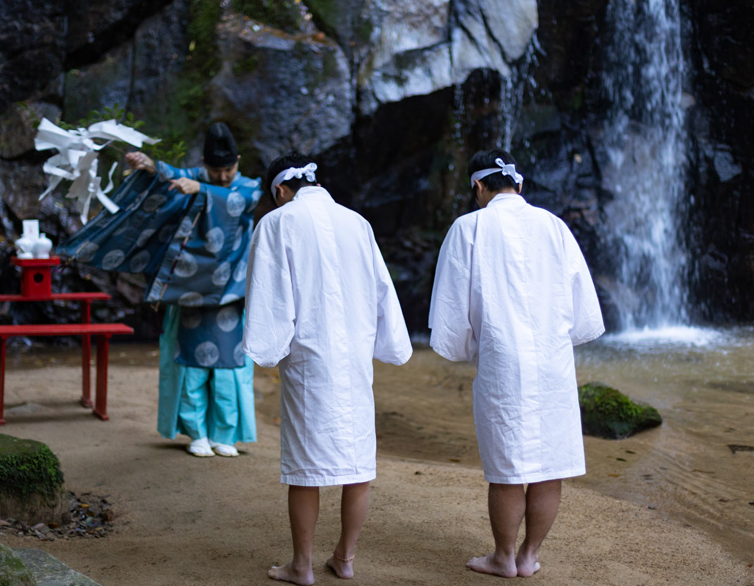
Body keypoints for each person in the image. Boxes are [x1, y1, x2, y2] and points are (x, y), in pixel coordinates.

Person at [428, 149, 604, 578]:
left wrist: (466, 347)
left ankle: (503, 557)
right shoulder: (554, 226)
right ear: (519, 186)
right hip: (552, 358)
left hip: (503, 358)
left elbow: (453, 308)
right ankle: (529, 555)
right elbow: (584, 309)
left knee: (507, 466)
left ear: (478, 187)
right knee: (550, 464)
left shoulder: (469, 227)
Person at [244, 152, 412, 585]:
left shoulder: (277, 223)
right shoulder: (357, 223)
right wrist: (389, 343)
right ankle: (346, 558)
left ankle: (301, 566)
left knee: (305, 466)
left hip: (308, 359)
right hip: (354, 359)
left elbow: (269, 295)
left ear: (279, 190)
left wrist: (265, 349)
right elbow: (382, 289)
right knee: (357, 462)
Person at [58, 122, 260, 458]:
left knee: (228, 369)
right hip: (188, 291)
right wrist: (153, 167)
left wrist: (202, 189)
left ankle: (225, 434)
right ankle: (196, 433)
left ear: (238, 161)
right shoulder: (197, 177)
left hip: (229, 292)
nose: (224, 176)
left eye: (229, 169)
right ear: (205, 163)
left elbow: (240, 199)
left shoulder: (248, 187)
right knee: (191, 368)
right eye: (216, 170)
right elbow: (171, 177)